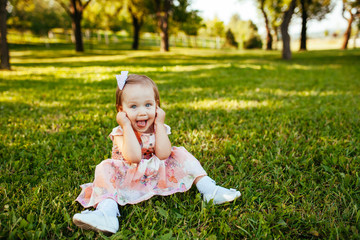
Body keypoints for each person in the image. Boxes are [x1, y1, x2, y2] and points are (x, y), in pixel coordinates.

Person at [72, 72, 241, 234]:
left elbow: (163, 155)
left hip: (156, 173)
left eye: (148, 105)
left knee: (180, 153)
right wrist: (125, 126)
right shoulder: (120, 132)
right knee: (104, 168)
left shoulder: (158, 127)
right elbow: (133, 157)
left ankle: (210, 190)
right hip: (127, 176)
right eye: (133, 106)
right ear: (120, 110)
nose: (142, 112)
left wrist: (160, 124)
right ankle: (107, 213)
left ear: (157, 105)